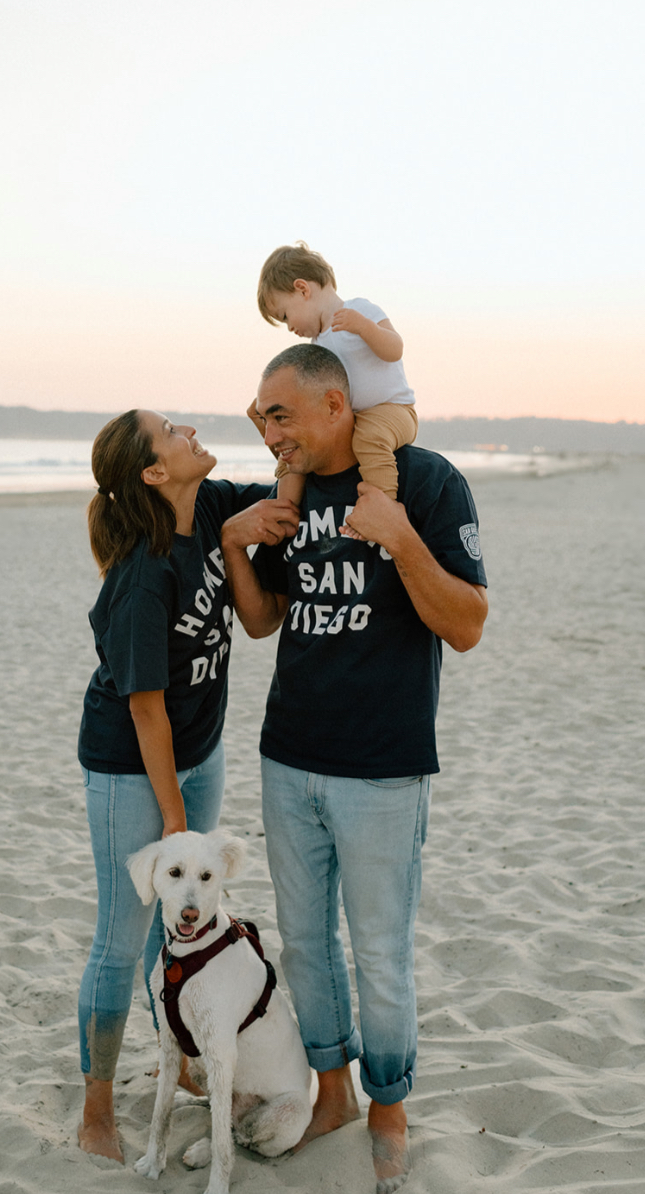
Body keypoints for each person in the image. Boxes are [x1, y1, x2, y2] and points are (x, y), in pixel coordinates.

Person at [221, 345, 487, 1193]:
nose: (268, 433)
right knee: (305, 947)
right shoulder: (287, 499)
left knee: (379, 951)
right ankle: (331, 1093)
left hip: (381, 768)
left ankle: (388, 1111)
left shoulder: (424, 482)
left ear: (335, 405)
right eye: (260, 415)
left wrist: (401, 539)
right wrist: (235, 540)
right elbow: (261, 620)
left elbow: (468, 623)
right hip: (287, 757)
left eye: (279, 415)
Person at [76, 409, 280, 1164]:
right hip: (129, 764)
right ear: (154, 474)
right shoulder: (141, 576)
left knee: (183, 924)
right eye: (170, 430)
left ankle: (182, 1056)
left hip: (200, 750)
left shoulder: (216, 506)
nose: (188, 426)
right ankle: (97, 1110)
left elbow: (288, 491)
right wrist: (173, 819)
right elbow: (143, 706)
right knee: (120, 935)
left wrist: (290, 430)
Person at [251, 240, 417, 503]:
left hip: (391, 409)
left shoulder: (359, 310)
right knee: (299, 446)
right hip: (351, 417)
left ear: (302, 289)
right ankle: (285, 508)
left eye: (285, 316)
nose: (290, 327)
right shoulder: (319, 342)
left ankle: (383, 506)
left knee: (369, 441)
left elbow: (395, 349)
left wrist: (365, 328)